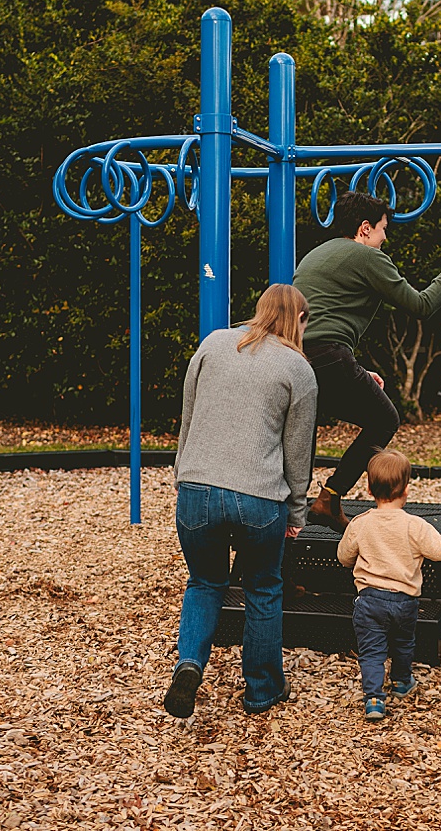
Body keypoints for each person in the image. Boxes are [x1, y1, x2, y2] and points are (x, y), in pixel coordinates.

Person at [163, 284, 318, 718]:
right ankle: (261, 691)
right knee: (264, 588)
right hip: (259, 497)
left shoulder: (212, 343)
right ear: (299, 320)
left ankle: (190, 664)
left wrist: (183, 473)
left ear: (260, 310)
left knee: (204, 582)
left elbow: (188, 416)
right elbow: (297, 451)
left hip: (197, 488)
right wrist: (297, 510)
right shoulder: (298, 369)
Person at [293, 191, 441, 529]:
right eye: (383, 229)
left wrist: (357, 369)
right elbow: (421, 305)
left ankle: (292, 511)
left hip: (296, 357)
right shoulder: (366, 256)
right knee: (384, 419)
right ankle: (329, 498)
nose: (386, 237)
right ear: (365, 228)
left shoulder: (316, 254)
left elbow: (322, 320)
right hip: (328, 355)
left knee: (306, 429)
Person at [336, 449, 441, 720]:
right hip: (405, 601)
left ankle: (373, 699)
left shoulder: (361, 524)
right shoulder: (415, 526)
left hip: (370, 600)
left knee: (371, 651)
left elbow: (343, 556)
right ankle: (401, 681)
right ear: (406, 489)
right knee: (404, 643)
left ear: (370, 489)